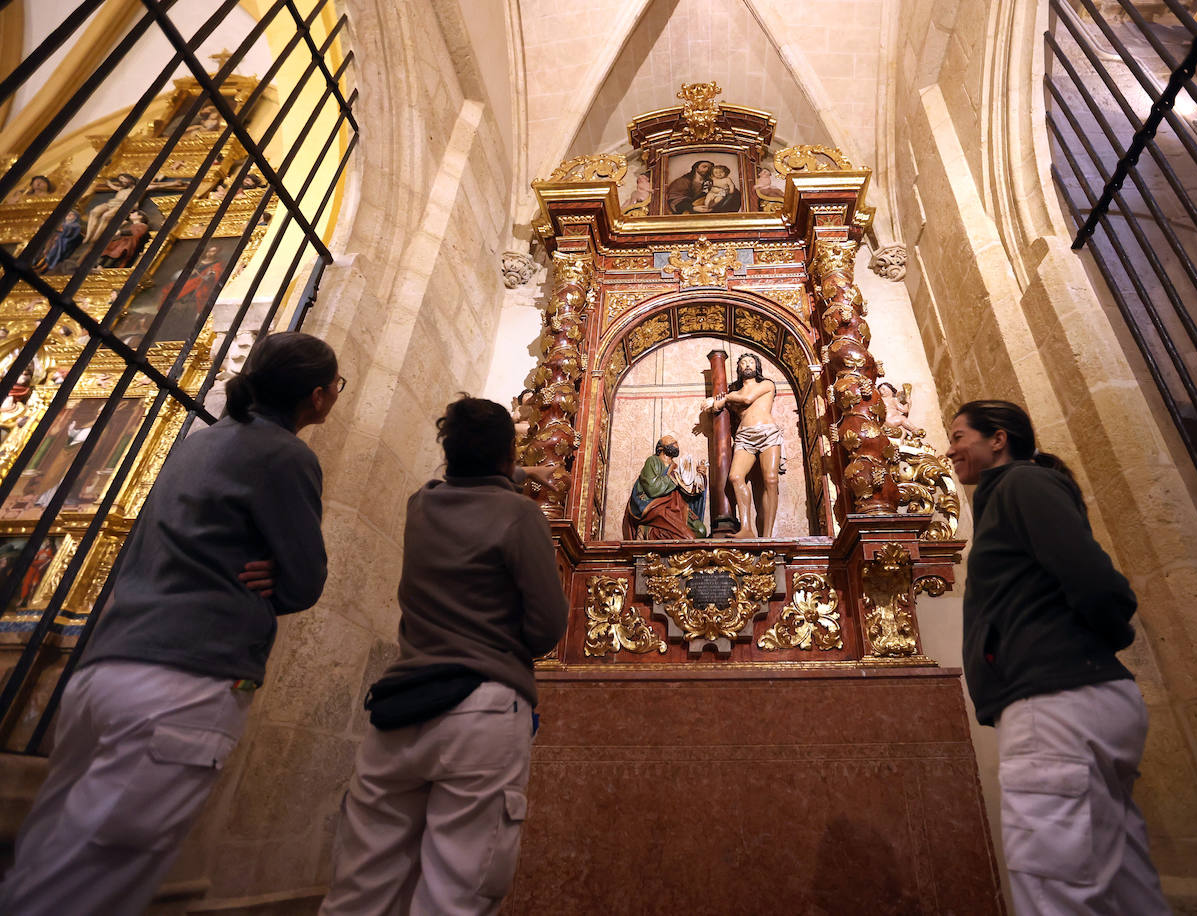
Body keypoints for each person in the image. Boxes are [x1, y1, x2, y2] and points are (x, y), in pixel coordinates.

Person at [0, 332, 342, 916]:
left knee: (52, 850)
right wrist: (278, 581)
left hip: (106, 666)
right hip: (184, 680)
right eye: (335, 387)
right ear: (316, 397)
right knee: (95, 880)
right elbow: (305, 578)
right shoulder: (286, 455)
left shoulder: (197, 444)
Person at [320, 395, 568, 915]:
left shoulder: (422, 504)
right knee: (457, 890)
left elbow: (477, 477)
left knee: (361, 887)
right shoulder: (521, 515)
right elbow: (547, 626)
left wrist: (518, 468)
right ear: (507, 454)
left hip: (402, 707)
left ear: (448, 452)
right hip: (481, 710)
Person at [945, 399, 1168, 915]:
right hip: (1075, 695)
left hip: (1055, 705)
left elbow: (1093, 579)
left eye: (960, 436)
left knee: (1055, 889)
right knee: (1124, 886)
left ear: (998, 439)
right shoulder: (1012, 491)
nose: (951, 449)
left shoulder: (1023, 484)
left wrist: (1093, 639)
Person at [705, 353, 782, 538]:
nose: (747, 365)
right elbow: (715, 408)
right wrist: (715, 402)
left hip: (767, 433)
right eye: (743, 363)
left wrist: (723, 399)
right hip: (744, 437)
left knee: (770, 480)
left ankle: (767, 535)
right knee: (735, 477)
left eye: (751, 362)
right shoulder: (734, 394)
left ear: (757, 367)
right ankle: (746, 528)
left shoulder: (766, 384)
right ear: (739, 369)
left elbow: (747, 398)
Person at [622, 434, 708, 540]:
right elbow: (652, 488)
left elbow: (689, 491)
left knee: (700, 531)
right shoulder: (653, 461)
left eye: (676, 441)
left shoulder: (676, 468)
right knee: (688, 537)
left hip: (676, 506)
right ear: (660, 447)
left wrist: (701, 476)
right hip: (656, 505)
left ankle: (650, 530)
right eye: (671, 440)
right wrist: (675, 477)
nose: (675, 441)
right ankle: (647, 532)